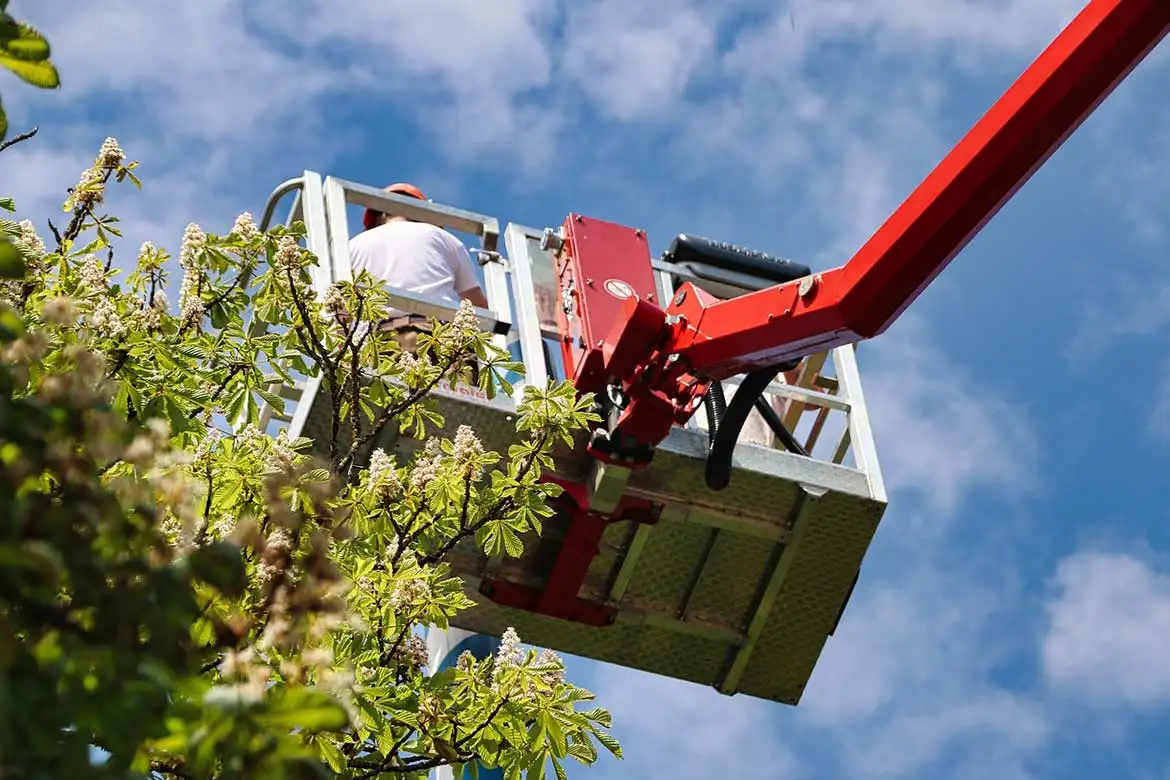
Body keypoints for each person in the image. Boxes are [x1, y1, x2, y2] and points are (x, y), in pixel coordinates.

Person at [348, 182, 489, 381]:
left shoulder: (354, 246)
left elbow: (339, 312)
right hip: (444, 339)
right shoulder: (443, 238)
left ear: (377, 214)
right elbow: (477, 307)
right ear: (422, 210)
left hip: (380, 344)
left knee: (385, 408)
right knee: (455, 405)